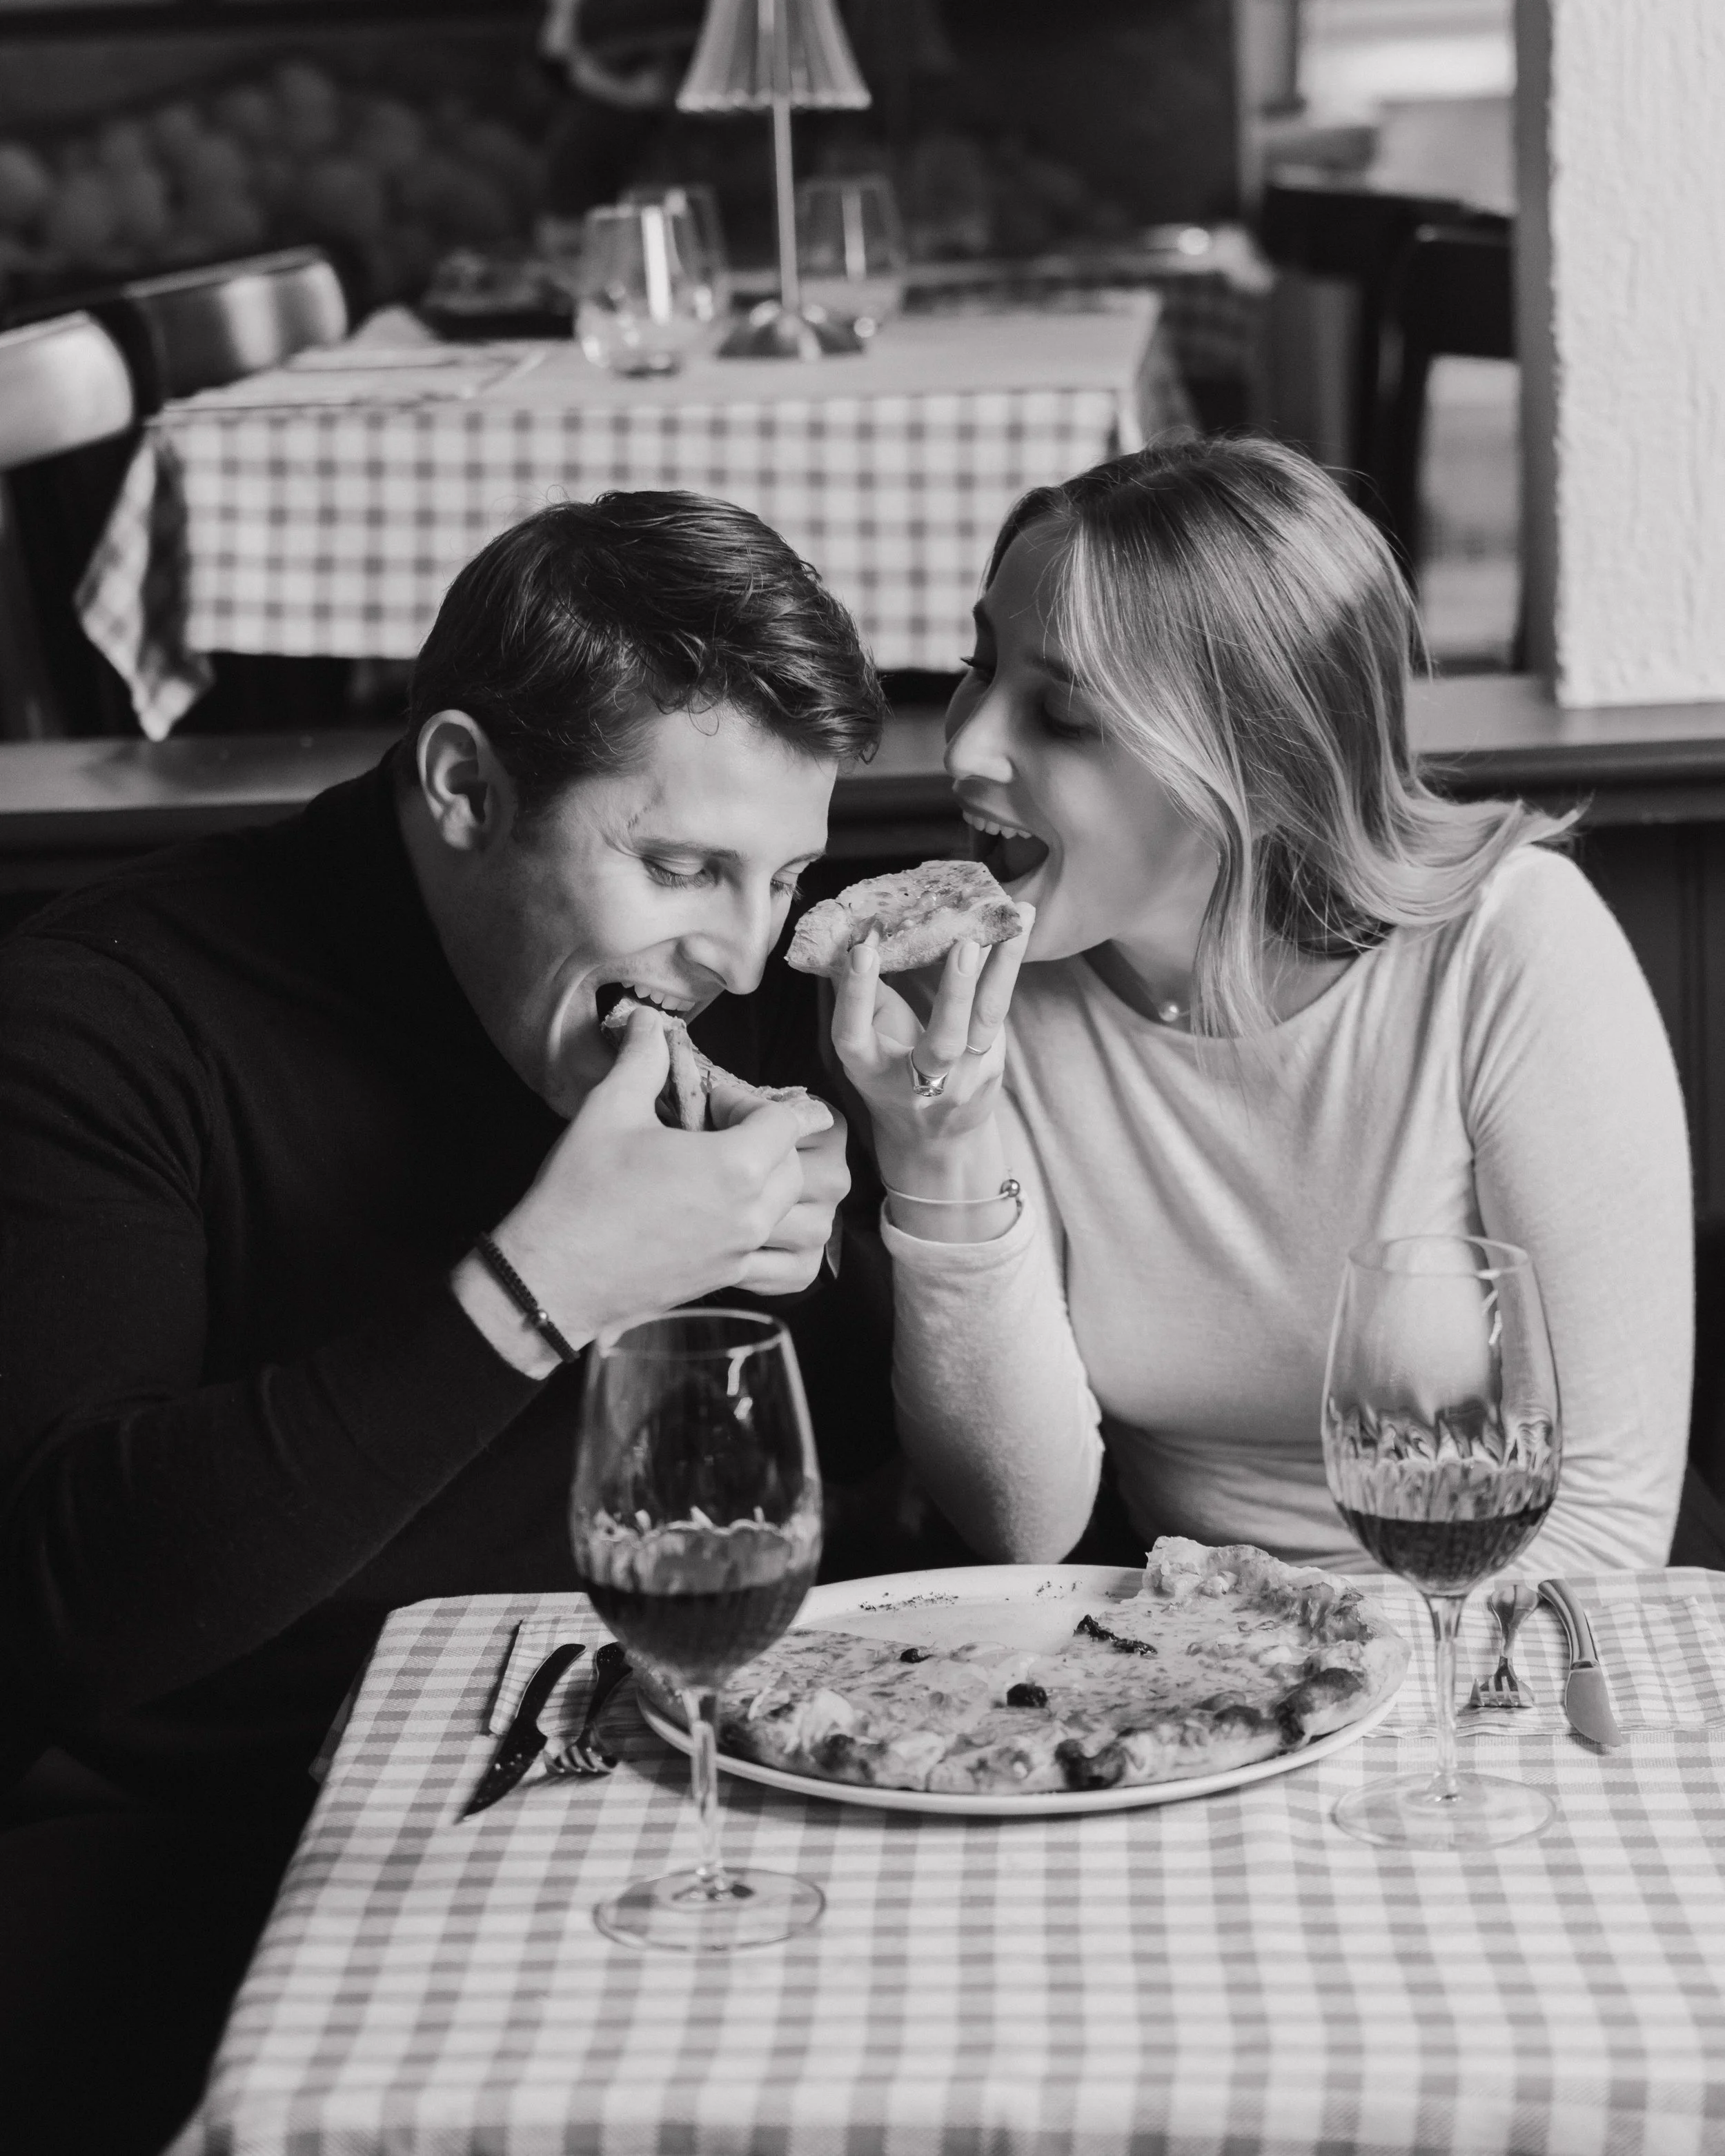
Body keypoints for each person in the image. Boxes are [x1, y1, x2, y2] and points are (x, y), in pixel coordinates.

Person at [0, 491, 887, 2153]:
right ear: (466, 786)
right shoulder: (98, 1019)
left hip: (673, 1802)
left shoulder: (738, 995)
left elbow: (878, 1503)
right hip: (227, 1857)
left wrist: (878, 1231)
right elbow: (61, 1598)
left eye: (783, 874)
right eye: (682, 864)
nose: (739, 944)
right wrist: (532, 1289)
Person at [829, 435, 1693, 1579]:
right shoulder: (979, 998)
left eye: (1067, 714)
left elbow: (1606, 1527)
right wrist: (938, 1149)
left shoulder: (1509, 948)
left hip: (1493, 1626)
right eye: (980, 669)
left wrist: (1314, 1676)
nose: (971, 745)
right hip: (1185, 1654)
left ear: (1253, 765)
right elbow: (1021, 1525)